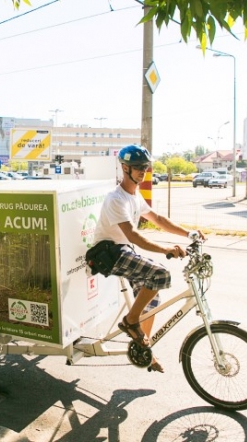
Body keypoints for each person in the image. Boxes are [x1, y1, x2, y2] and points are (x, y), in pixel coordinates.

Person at [91, 144, 205, 373]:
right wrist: (166, 250)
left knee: (152, 302)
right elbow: (133, 235)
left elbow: (158, 219)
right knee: (160, 274)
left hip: (123, 251)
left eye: (145, 167)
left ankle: (144, 347)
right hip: (108, 253)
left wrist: (188, 233)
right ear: (125, 168)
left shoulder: (135, 196)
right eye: (138, 167)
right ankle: (130, 321)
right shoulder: (117, 199)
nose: (143, 171)